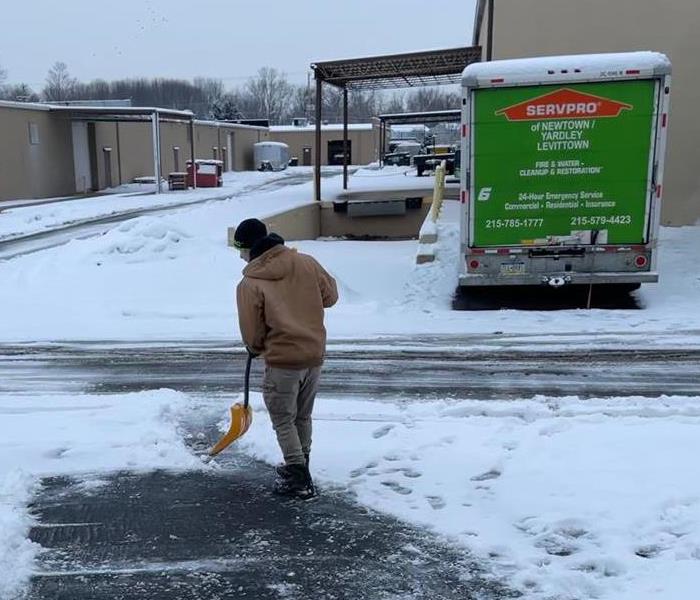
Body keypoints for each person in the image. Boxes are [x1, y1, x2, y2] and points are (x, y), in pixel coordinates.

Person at [233, 218, 338, 499]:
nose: (241, 257)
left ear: (249, 248)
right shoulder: (307, 262)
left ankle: (298, 477)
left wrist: (255, 348)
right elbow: (331, 297)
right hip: (313, 355)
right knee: (302, 416)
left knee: (283, 419)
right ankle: (302, 466)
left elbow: (252, 332)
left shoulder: (250, 283)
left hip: (282, 360)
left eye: (240, 250)